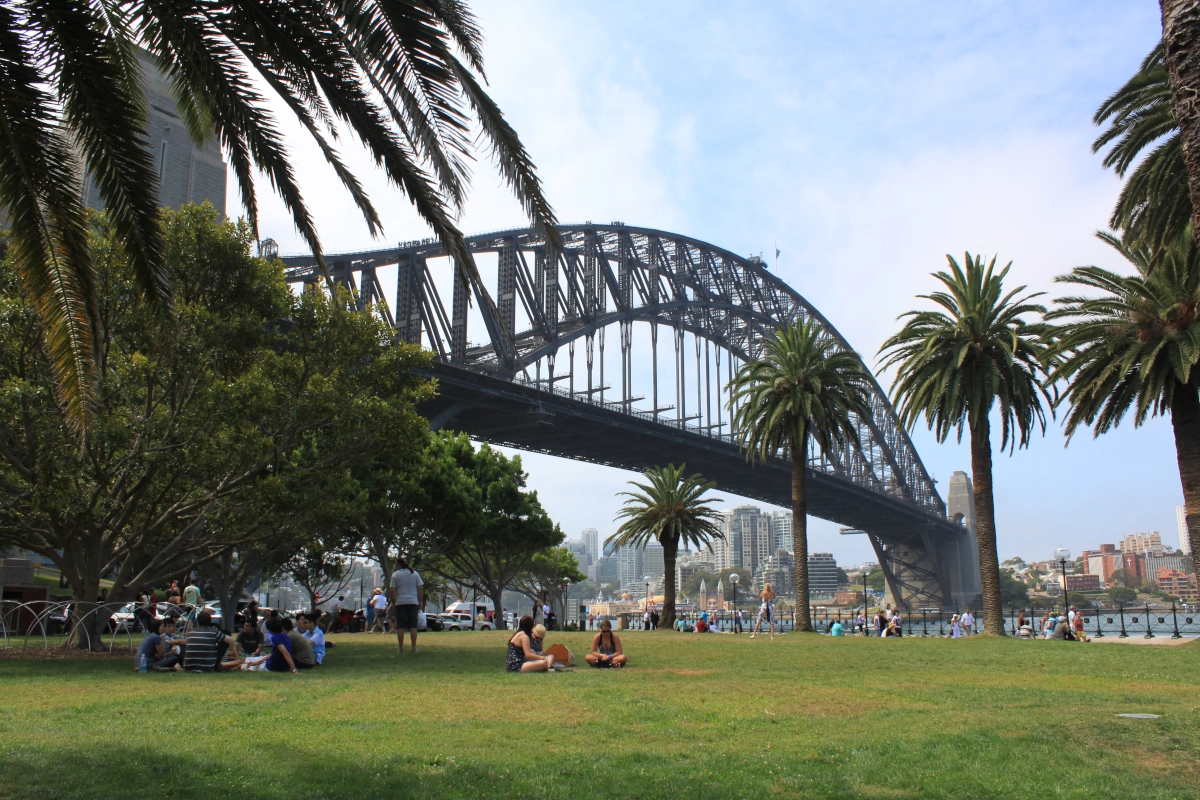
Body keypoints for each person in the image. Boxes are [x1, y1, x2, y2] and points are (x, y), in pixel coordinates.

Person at [388, 556, 424, 654]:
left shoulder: (395, 575)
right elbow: (420, 588)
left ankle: (401, 648)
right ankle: (413, 647)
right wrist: (420, 601)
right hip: (413, 602)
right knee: (413, 625)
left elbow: (392, 590)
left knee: (400, 625)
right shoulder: (414, 574)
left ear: (399, 565)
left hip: (400, 602)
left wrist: (393, 602)